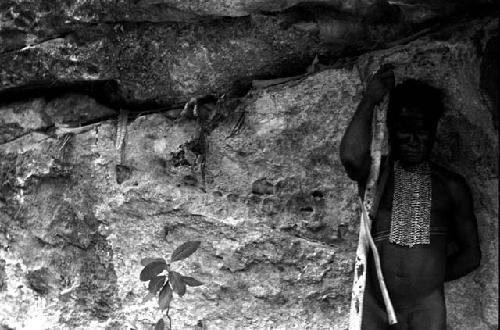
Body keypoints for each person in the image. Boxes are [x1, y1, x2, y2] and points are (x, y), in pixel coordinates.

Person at [339, 66, 481, 330]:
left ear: (434, 131)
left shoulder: (450, 187)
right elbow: (350, 158)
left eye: (423, 129)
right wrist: (370, 100)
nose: (413, 139)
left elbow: (471, 255)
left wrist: (424, 282)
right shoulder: (375, 177)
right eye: (405, 128)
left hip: (425, 310)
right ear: (391, 129)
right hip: (375, 305)